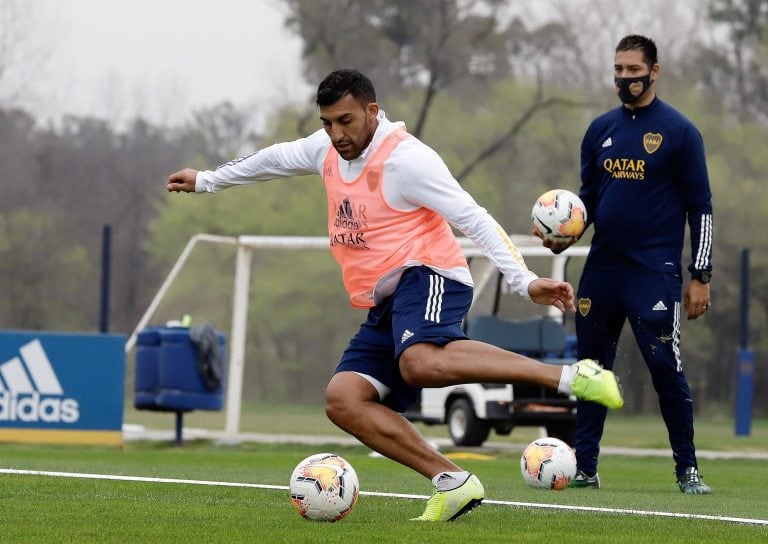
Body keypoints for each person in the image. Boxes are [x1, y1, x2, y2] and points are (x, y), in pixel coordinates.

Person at [168, 69, 624, 520]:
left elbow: (474, 218)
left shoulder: (407, 160)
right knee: (343, 399)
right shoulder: (324, 148)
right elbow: (272, 159)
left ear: (372, 110)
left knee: (418, 361)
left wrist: (524, 281)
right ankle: (453, 481)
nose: (336, 133)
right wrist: (207, 180)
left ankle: (567, 377)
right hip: (387, 300)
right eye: (327, 123)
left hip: (431, 275)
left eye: (345, 121)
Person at [540, 35, 713, 494]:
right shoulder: (599, 130)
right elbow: (590, 202)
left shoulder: (679, 132)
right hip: (602, 271)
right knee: (590, 371)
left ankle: (687, 470)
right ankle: (586, 469)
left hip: (654, 273)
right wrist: (564, 236)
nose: (625, 78)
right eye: (618, 70)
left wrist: (701, 275)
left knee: (663, 366)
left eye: (633, 70)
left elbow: (702, 207)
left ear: (654, 72)